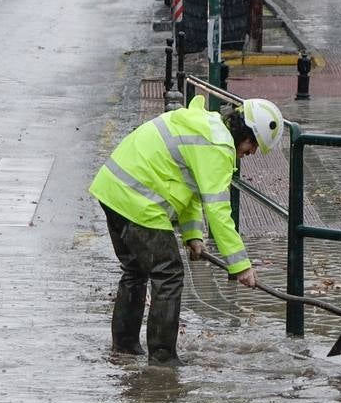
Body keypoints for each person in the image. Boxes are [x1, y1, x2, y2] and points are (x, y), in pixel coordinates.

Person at [89, 95, 285, 365]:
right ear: (245, 133)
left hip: (112, 189)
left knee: (135, 271)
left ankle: (124, 348)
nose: (249, 154)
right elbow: (218, 212)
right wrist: (240, 265)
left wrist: (193, 236)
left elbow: (190, 187)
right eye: (252, 146)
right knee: (168, 274)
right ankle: (162, 358)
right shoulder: (217, 146)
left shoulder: (205, 126)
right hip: (138, 201)